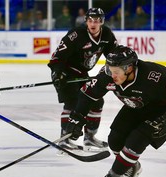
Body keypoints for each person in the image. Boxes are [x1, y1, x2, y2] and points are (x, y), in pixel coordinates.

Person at [65, 45, 166, 177]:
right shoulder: (107, 75)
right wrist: (77, 117)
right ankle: (131, 166)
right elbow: (87, 95)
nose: (112, 75)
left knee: (136, 141)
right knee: (115, 140)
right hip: (136, 106)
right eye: (109, 70)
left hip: (161, 112)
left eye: (115, 72)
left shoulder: (154, 76)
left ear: (129, 68)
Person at [48, 8, 118, 154]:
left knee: (96, 101)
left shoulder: (107, 35)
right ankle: (64, 140)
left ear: (102, 22)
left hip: (82, 73)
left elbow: (114, 56)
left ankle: (89, 137)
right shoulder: (76, 35)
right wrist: (56, 73)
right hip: (66, 73)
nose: (93, 23)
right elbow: (57, 57)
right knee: (72, 102)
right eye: (91, 20)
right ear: (86, 21)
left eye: (97, 20)